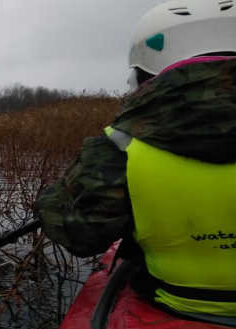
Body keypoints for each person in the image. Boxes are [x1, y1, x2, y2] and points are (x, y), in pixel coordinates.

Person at [34, 0, 236, 322]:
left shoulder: (118, 145)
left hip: (176, 301)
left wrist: (49, 201)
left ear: (143, 75)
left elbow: (81, 236)